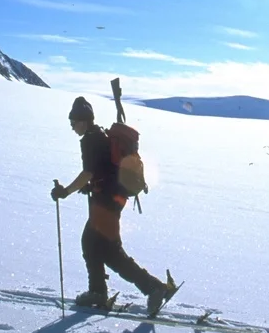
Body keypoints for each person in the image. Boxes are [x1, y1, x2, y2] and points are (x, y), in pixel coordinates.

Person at [51, 96, 176, 315]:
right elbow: (103, 170)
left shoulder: (91, 140)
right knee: (104, 249)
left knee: (96, 245)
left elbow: (89, 172)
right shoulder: (100, 136)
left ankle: (138, 289)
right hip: (112, 199)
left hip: (106, 201)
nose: (72, 127)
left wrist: (66, 191)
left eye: (73, 123)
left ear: (83, 121)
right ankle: (110, 290)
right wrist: (90, 186)